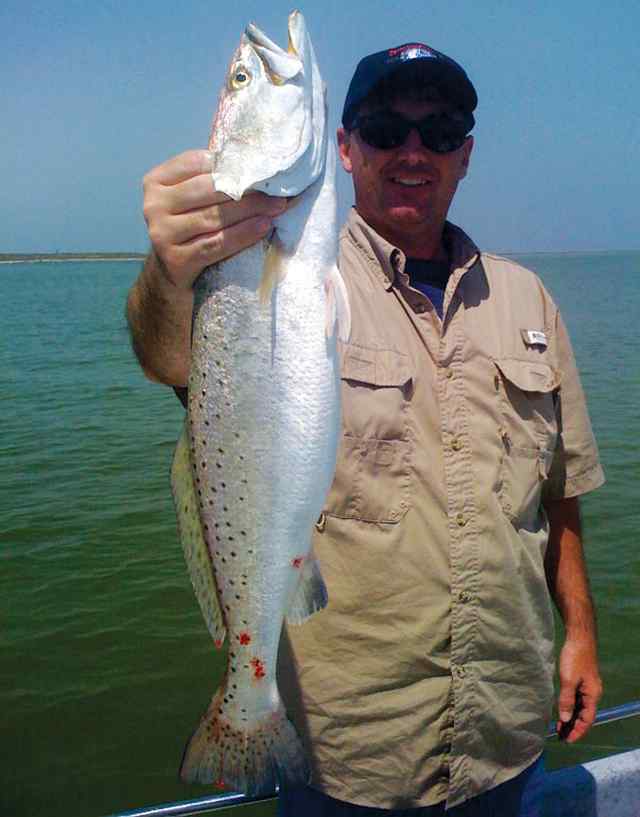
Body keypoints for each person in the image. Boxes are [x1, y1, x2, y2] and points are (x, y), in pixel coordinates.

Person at [127, 41, 604, 816]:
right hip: (350, 760)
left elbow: (561, 493)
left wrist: (580, 632)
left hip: (507, 741)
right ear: (344, 147)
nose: (413, 150)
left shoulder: (529, 301)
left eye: (438, 131)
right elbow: (167, 355)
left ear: (466, 154)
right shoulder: (283, 263)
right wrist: (172, 271)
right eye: (385, 129)